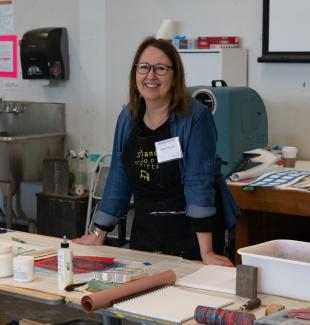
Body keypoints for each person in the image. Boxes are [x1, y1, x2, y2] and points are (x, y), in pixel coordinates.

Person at [73, 37, 239, 266]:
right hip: (147, 231)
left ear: (174, 77)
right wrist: (99, 234)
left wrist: (207, 253)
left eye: (160, 68)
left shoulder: (195, 117)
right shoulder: (127, 117)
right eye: (144, 67)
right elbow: (118, 178)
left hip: (192, 235)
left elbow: (198, 182)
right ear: (135, 75)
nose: (150, 76)